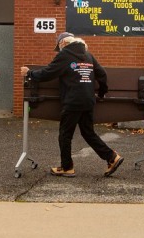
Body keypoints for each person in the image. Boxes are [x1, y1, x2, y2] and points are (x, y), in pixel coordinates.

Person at [20, 32, 124, 178]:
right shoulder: (88, 55)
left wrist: (30, 73)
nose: (59, 49)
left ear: (63, 43)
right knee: (88, 133)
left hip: (73, 101)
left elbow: (48, 73)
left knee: (65, 135)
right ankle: (112, 157)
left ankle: (67, 167)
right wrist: (101, 93)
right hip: (88, 100)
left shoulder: (65, 55)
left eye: (59, 46)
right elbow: (102, 74)